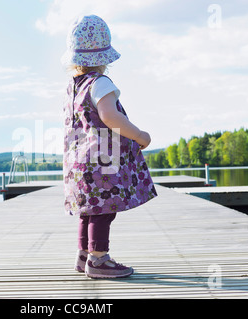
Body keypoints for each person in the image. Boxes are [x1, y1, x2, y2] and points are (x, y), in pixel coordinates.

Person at [62, 15, 158, 279]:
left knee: (87, 210)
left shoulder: (73, 86)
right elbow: (110, 117)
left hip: (77, 164)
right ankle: (99, 260)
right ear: (104, 56)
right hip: (101, 161)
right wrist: (138, 134)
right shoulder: (100, 84)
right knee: (103, 211)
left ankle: (84, 255)